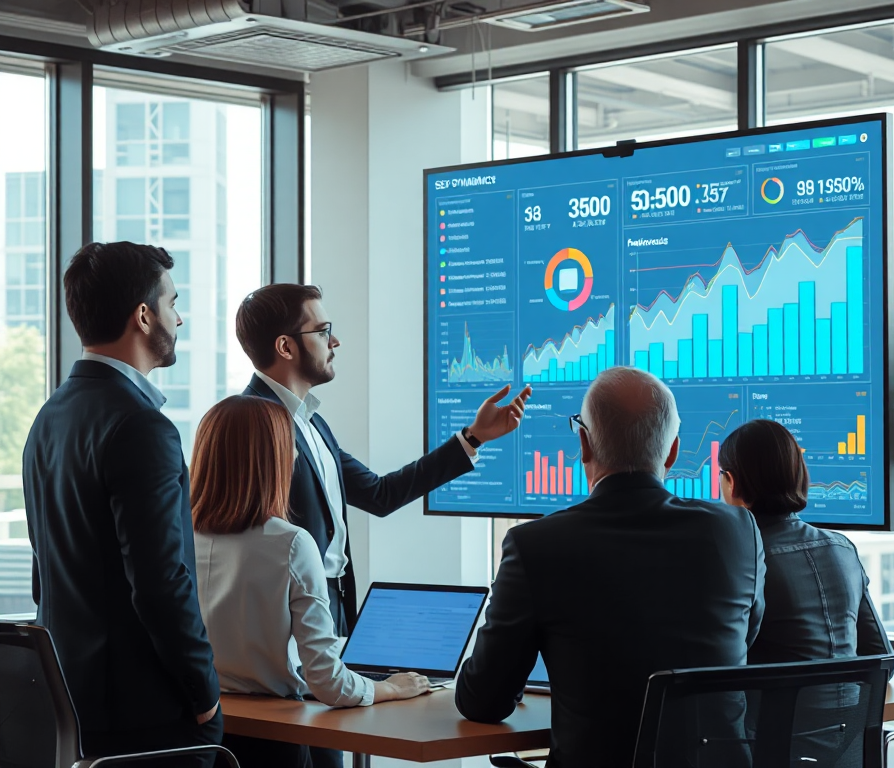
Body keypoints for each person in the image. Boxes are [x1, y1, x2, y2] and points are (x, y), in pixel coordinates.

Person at [455, 367, 766, 768]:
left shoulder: (535, 545)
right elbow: (745, 639)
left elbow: (483, 700)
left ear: (583, 443)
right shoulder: (738, 530)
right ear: (672, 452)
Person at [235, 284, 530, 636]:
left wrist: (472, 438)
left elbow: (379, 494)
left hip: (334, 605)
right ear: (285, 347)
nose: (335, 342)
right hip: (288, 617)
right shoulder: (249, 423)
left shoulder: (311, 422)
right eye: (323, 331)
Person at [22, 242, 221, 765]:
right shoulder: (140, 426)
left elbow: (46, 574)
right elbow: (160, 583)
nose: (180, 317)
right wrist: (204, 692)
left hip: (68, 702)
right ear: (143, 315)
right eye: (173, 303)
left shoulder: (48, 419)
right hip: (144, 717)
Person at [191, 396, 431, 768]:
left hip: (197, 735)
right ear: (270, 460)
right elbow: (328, 682)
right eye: (288, 449)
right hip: (272, 741)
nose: (295, 459)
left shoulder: (175, 537)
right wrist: (389, 688)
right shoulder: (290, 543)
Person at [717, 419, 893, 766]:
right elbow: (880, 659)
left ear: (732, 481)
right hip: (842, 747)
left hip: (769, 747)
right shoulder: (843, 548)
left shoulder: (741, 559)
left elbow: (720, 669)